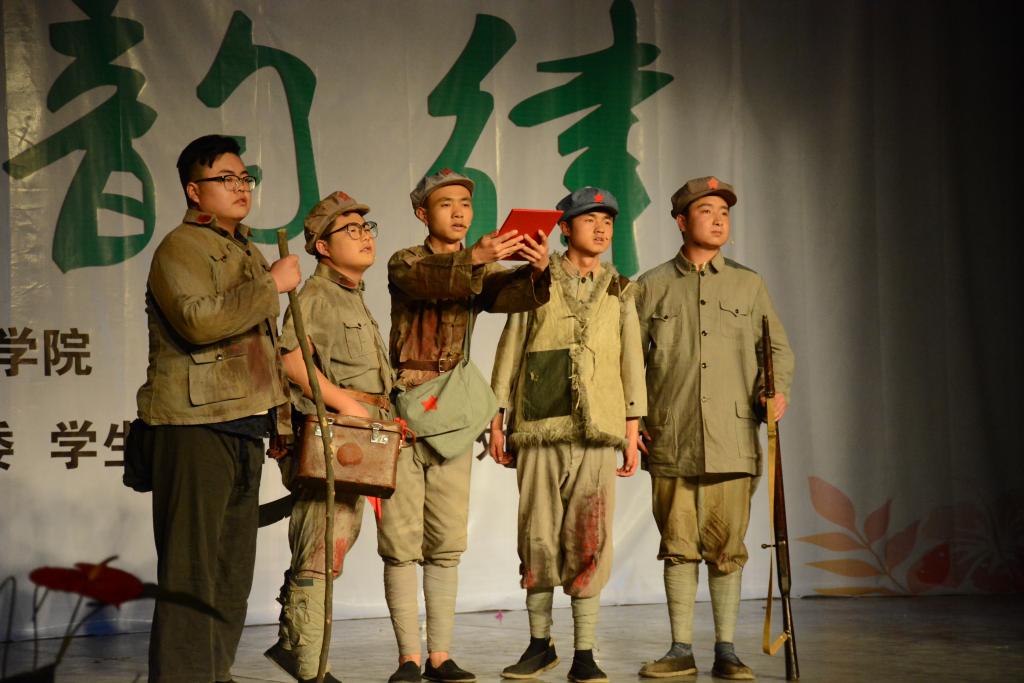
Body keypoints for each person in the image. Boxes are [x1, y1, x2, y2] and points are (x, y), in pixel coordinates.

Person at [137, 134, 300, 683]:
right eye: (225, 179)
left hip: (244, 423)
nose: (240, 187)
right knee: (191, 570)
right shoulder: (180, 247)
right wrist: (272, 285)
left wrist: (278, 421)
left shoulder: (245, 249)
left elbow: (264, 347)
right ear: (194, 190)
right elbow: (197, 321)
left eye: (244, 178)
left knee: (231, 569)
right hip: (194, 424)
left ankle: (214, 673)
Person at [382, 168, 551, 683]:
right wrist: (476, 257)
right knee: (400, 542)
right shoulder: (405, 261)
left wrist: (537, 270)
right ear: (422, 213)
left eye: (465, 204)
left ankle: (440, 656)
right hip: (404, 412)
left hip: (451, 414)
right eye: (446, 204)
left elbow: (508, 293)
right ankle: (408, 657)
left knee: (446, 540)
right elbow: (428, 279)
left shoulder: (477, 269)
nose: (459, 212)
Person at [634, 177, 795, 680]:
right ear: (681, 221)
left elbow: (776, 350)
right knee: (678, 545)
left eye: (724, 211)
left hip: (732, 438)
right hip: (671, 436)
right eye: (706, 210)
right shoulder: (651, 285)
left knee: (727, 548)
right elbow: (627, 360)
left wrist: (774, 391)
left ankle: (726, 650)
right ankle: (680, 649)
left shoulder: (748, 284)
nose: (719, 218)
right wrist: (631, 418)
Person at [488, 187, 646, 683]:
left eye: (607, 221)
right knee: (536, 533)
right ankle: (540, 643)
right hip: (540, 421)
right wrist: (497, 415)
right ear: (564, 228)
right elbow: (512, 344)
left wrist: (632, 426)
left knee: (590, 537)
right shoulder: (538, 277)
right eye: (589, 219)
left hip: (599, 428)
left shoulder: (620, 289)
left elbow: (631, 360)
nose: (600, 228)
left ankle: (584, 651)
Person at [263, 191, 393, 683]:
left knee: (329, 543)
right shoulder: (317, 296)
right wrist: (346, 404)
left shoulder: (349, 295)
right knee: (322, 545)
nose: (363, 236)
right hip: (332, 438)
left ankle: (294, 645)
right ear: (321, 246)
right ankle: (309, 663)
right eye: (349, 229)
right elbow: (291, 361)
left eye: (366, 227)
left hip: (355, 440)